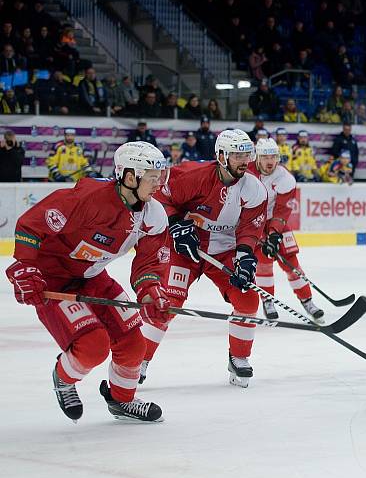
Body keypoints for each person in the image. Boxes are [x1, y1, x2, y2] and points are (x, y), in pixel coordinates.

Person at [5, 141, 171, 422]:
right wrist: (26, 268)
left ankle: (122, 401)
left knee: (133, 344)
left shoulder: (153, 215)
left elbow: (148, 262)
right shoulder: (89, 199)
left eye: (161, 176)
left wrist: (150, 292)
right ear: (130, 177)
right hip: (53, 280)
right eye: (153, 178)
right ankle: (63, 378)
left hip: (93, 277)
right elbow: (31, 224)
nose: (159, 185)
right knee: (93, 345)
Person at [138, 129, 267, 388]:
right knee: (167, 302)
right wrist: (175, 224)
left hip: (224, 249)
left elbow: (251, 228)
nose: (244, 160)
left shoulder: (254, 189)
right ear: (221, 156)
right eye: (237, 155)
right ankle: (138, 360)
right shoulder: (192, 176)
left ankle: (239, 357)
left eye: (247, 154)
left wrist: (245, 256)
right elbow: (160, 198)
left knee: (248, 298)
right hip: (185, 247)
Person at [249, 138, 325, 321]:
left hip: (277, 223)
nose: (270, 161)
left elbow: (282, 210)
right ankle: (268, 301)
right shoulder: (246, 173)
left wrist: (274, 234)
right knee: (263, 264)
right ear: (257, 157)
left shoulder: (285, 179)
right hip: (253, 223)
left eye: (274, 156)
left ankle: (307, 300)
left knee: (291, 262)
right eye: (266, 157)